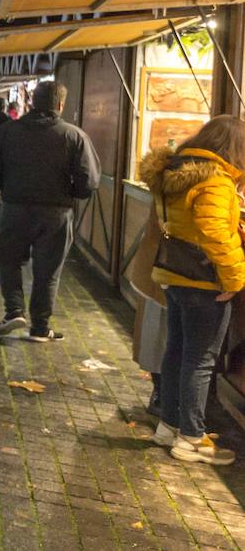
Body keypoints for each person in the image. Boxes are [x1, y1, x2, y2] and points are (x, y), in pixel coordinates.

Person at [138, 117, 245, 465]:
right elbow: (215, 232)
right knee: (200, 361)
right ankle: (192, 438)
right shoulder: (216, 180)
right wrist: (234, 280)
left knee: (177, 351)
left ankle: (169, 426)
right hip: (204, 281)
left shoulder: (178, 172)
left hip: (175, 274)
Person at [0, 80, 99, 342]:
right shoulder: (74, 135)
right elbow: (89, 181)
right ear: (60, 104)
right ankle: (40, 326)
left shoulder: (8, 131)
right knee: (48, 271)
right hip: (56, 214)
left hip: (14, 208)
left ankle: (14, 311)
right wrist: (70, 193)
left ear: (33, 101)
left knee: (9, 260)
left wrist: (8, 186)